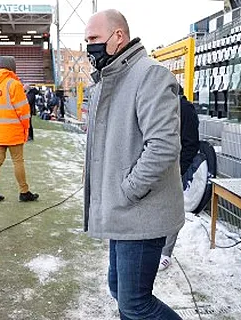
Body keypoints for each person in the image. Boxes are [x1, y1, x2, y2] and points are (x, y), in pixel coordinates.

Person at [83, 9, 184, 319]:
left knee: (136, 303)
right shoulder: (109, 79)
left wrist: (128, 190)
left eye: (94, 39)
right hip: (122, 211)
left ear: (118, 37)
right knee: (119, 291)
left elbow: (164, 145)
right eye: (87, 40)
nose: (90, 47)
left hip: (141, 212)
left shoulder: (149, 74)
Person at [0, 56, 39, 203]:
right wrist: (26, 128)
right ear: (11, 67)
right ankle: (24, 191)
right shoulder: (14, 84)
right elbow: (24, 111)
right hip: (13, 130)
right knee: (18, 161)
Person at [159, 85, 200, 271]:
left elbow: (191, 144)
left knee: (172, 210)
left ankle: (166, 253)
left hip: (176, 169)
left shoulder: (185, 109)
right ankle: (157, 248)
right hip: (159, 168)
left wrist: (179, 170)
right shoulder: (161, 107)